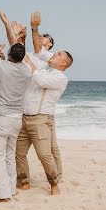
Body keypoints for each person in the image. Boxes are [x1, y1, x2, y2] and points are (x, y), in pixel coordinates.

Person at [16, 11, 72, 195]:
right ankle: (24, 181)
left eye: (57, 55)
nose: (53, 56)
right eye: (54, 54)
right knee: (19, 153)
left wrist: (32, 66)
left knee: (45, 155)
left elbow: (39, 79)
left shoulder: (60, 78)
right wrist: (32, 29)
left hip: (41, 120)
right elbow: (35, 52)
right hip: (25, 117)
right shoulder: (43, 66)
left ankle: (54, 183)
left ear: (63, 64)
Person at [0, 11, 34, 202]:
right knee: (9, 155)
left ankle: (4, 194)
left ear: (8, 55)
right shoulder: (27, 71)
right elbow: (18, 49)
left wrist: (4, 25)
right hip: (16, 119)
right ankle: (12, 189)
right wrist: (9, 28)